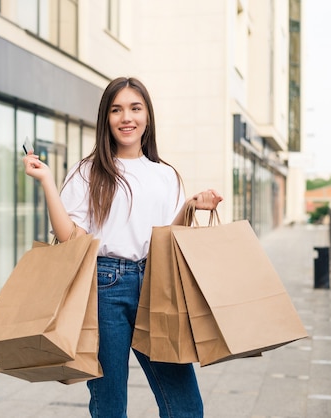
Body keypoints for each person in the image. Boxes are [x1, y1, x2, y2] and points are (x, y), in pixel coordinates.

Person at [23, 77, 222, 418]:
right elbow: (72, 238)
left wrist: (191, 205)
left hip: (155, 283)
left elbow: (167, 239)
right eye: (116, 110)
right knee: (110, 403)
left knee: (186, 404)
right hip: (104, 286)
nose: (126, 117)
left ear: (147, 116)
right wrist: (47, 182)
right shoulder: (89, 171)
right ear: (106, 118)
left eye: (135, 108)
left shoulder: (165, 175)